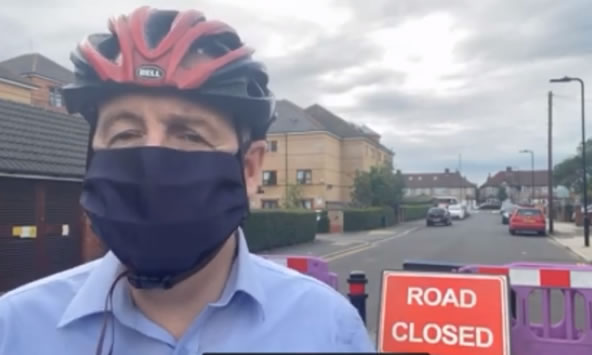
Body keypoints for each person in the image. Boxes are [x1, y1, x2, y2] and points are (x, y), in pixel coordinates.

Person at [0, 6, 374, 354]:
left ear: (249, 169)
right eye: (125, 134)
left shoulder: (329, 329)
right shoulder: (14, 329)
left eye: (190, 135)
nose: (150, 161)